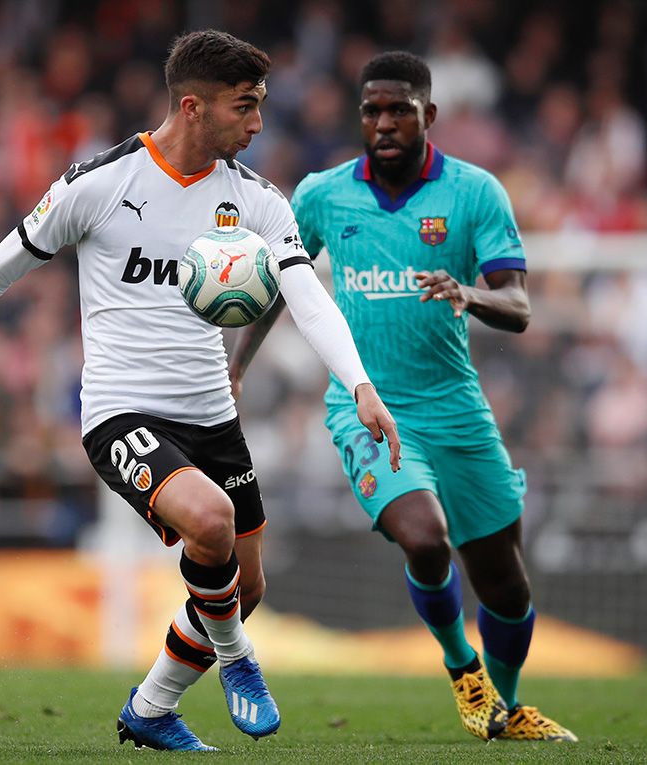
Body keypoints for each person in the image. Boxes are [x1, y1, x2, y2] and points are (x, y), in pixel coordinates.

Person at [0, 30, 401, 752]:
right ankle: (240, 658)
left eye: (261, 106)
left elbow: (307, 298)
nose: (257, 124)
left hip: (212, 415)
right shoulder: (101, 184)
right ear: (192, 107)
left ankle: (150, 707)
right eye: (245, 107)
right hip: (122, 414)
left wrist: (360, 384)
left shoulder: (256, 201)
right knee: (209, 523)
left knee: (245, 588)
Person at [230, 51, 576, 743]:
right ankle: (462, 669)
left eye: (399, 110)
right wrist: (235, 369)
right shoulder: (323, 195)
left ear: (429, 115)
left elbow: (519, 304)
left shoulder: (476, 193)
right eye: (372, 110)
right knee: (424, 535)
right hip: (369, 404)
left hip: (457, 405)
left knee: (506, 586)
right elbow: (280, 283)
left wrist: (469, 292)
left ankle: (502, 709)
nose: (384, 123)